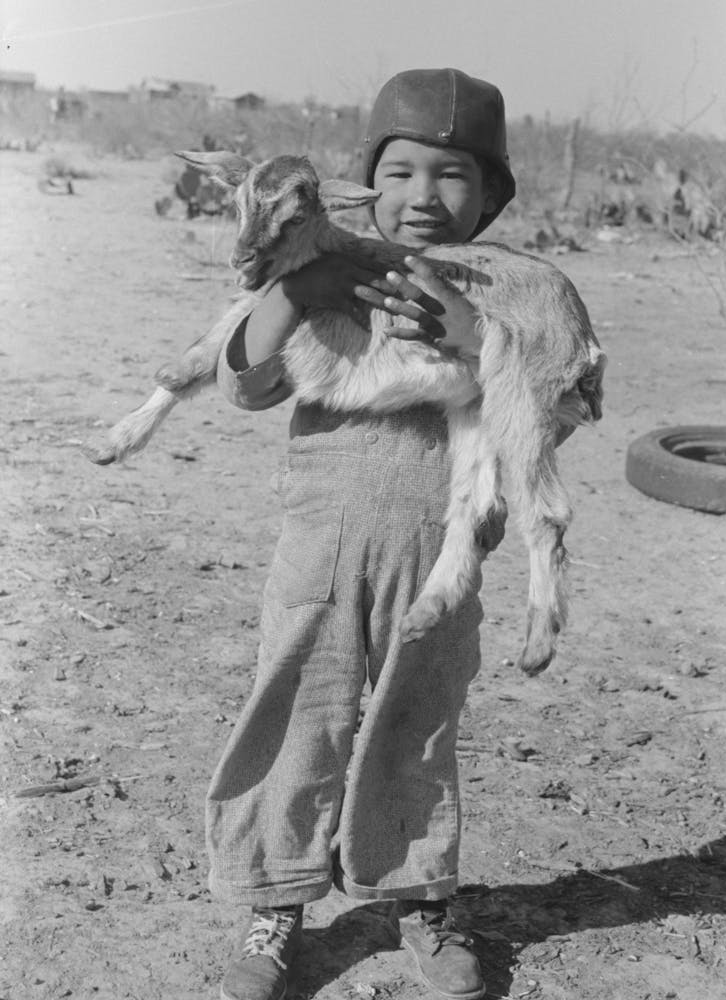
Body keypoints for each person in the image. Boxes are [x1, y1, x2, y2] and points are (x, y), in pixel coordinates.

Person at [208, 68, 516, 1000]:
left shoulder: (511, 287)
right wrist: (301, 294)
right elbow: (242, 383)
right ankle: (274, 904)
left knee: (417, 723)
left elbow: (561, 400)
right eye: (403, 170)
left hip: (445, 554)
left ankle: (420, 895)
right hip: (324, 545)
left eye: (454, 174)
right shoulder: (324, 265)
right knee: (297, 713)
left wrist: (473, 334)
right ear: (363, 184)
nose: (425, 196)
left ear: (491, 194)